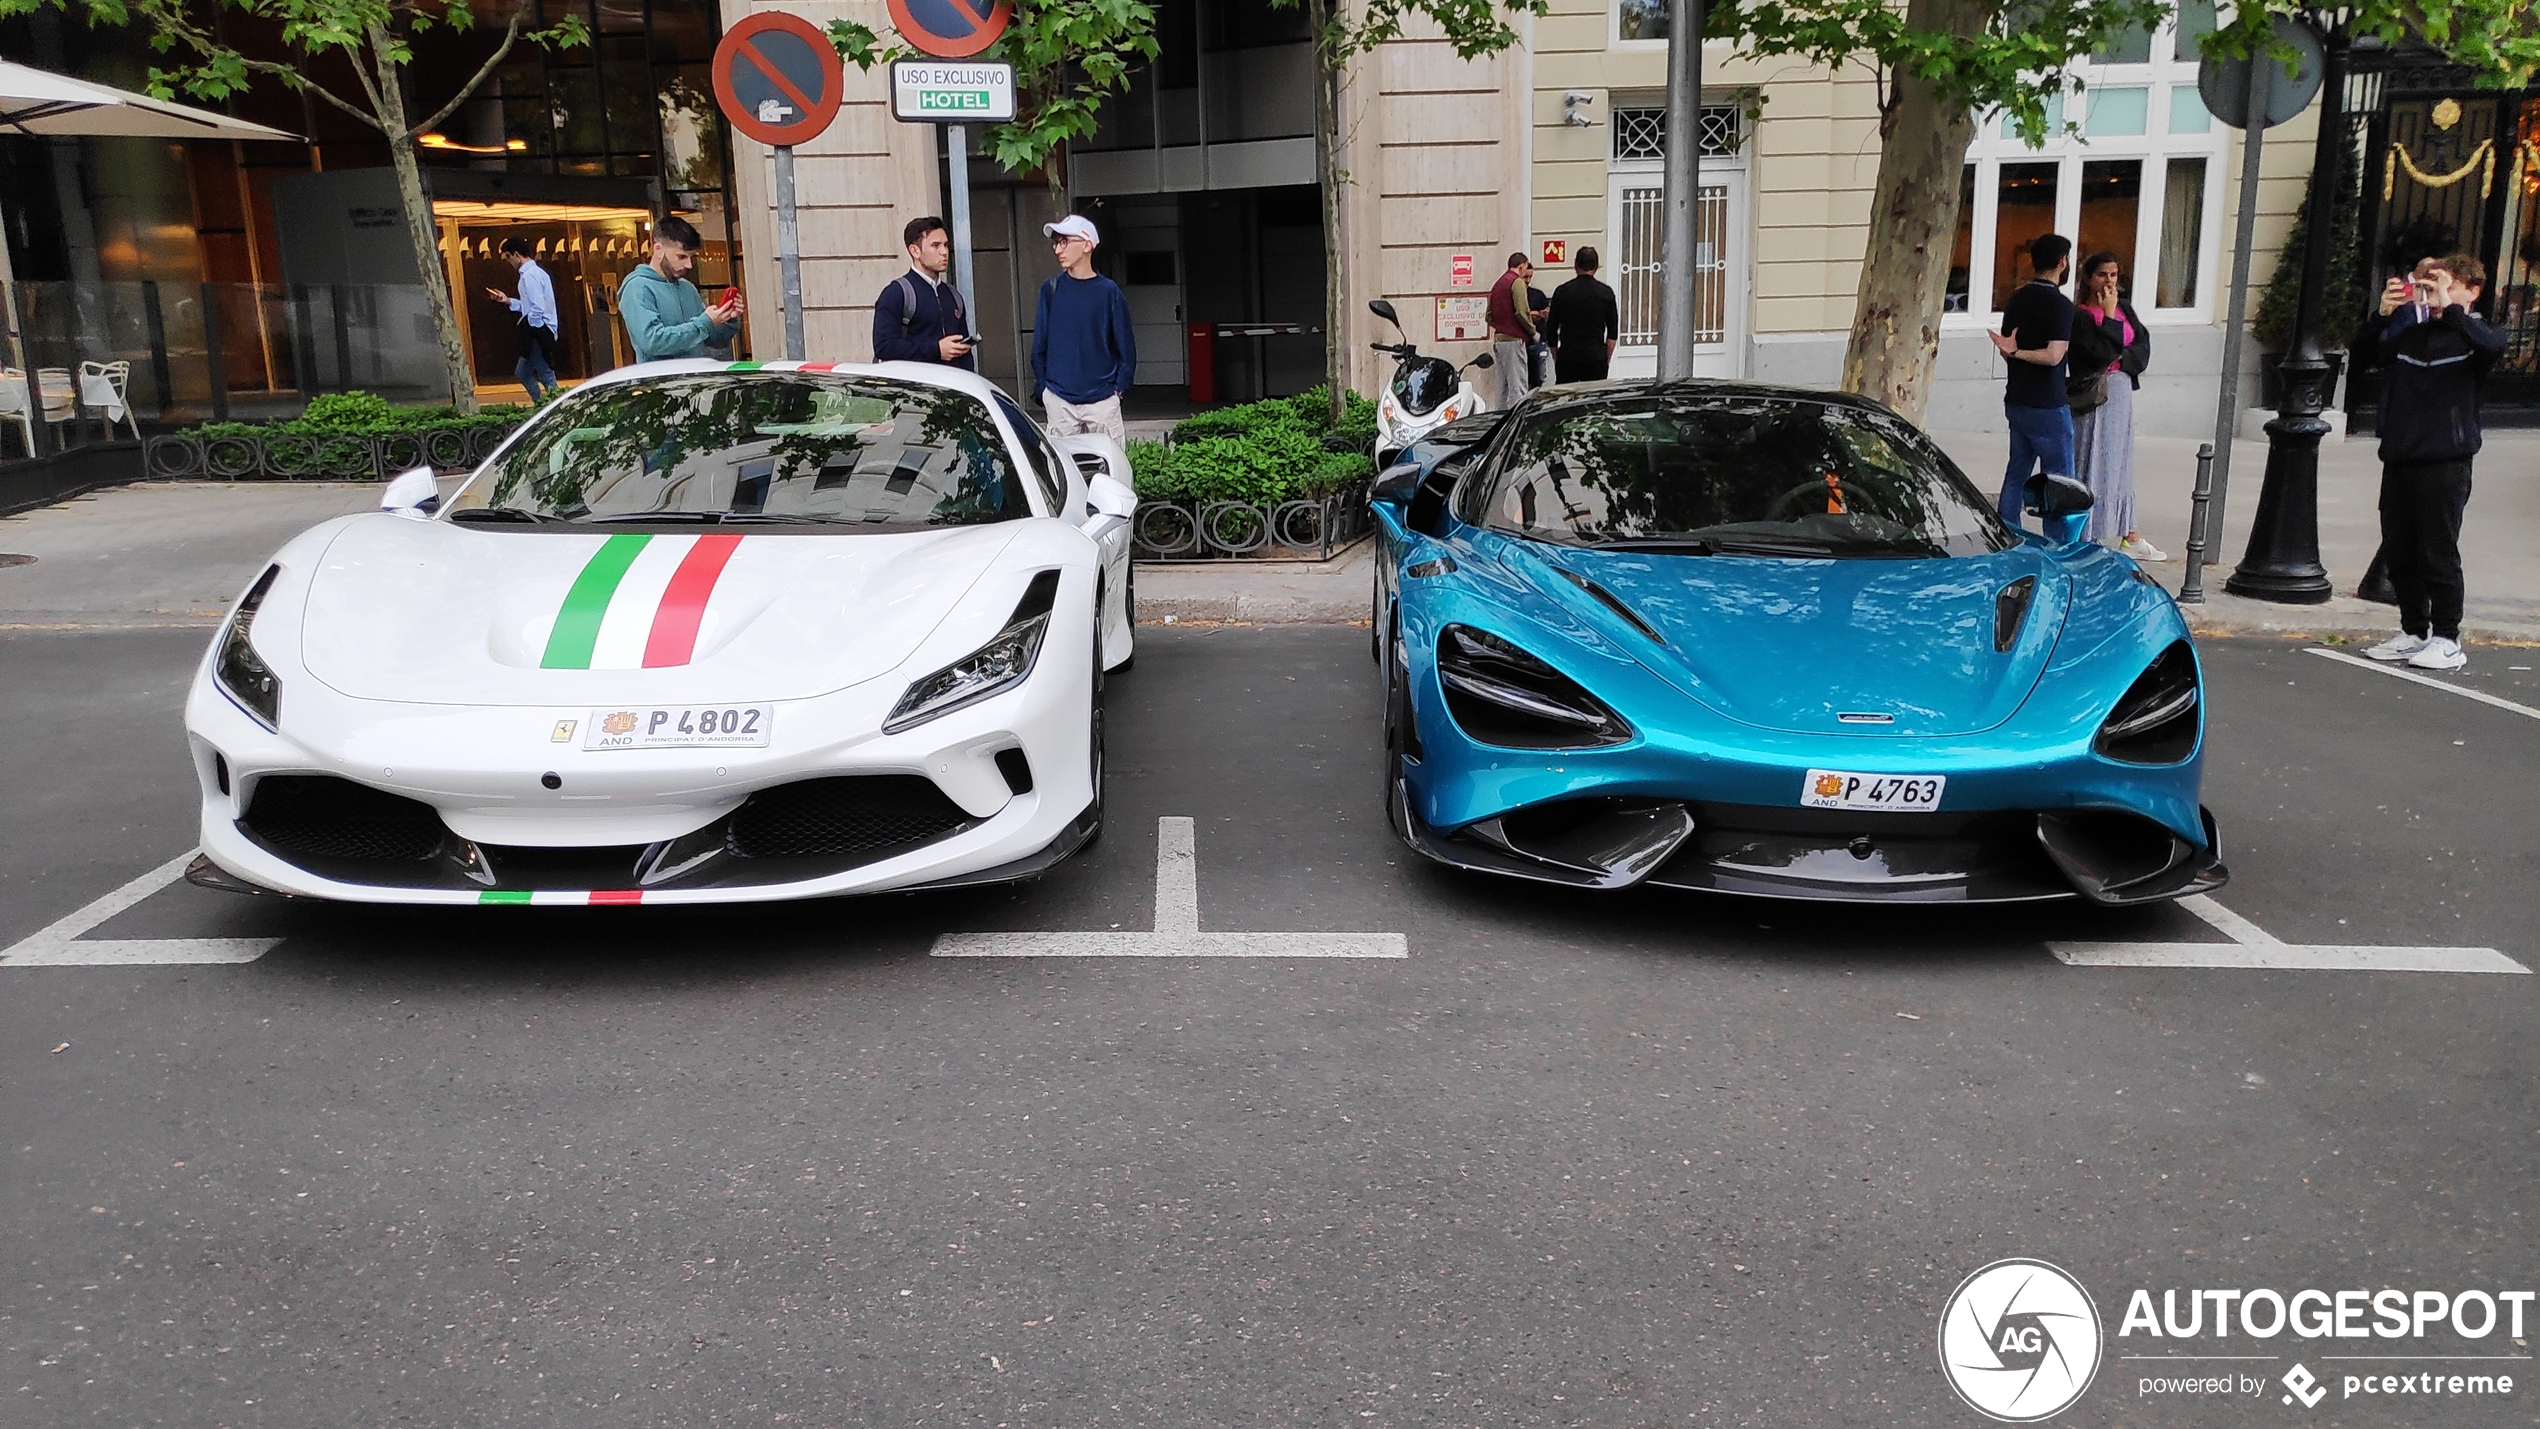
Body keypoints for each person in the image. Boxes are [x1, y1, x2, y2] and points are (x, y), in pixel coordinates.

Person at [2358, 252, 2503, 672]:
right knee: (2400, 551)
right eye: (2427, 286)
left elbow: (2491, 347)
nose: (2435, 295)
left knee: (2437, 552)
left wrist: (2451, 306)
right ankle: (2413, 631)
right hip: (2401, 456)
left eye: (2447, 285)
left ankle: (2447, 637)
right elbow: (2367, 353)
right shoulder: (2412, 335)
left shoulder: (2473, 334)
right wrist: (2384, 314)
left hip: (2446, 460)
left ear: (2472, 292)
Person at [2066, 250, 2160, 559]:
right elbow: (2098, 355)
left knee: (2120, 462)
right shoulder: (2079, 315)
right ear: (2089, 279)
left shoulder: (2126, 309)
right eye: (2102, 275)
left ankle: (2128, 532)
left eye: (2114, 275)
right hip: (2095, 397)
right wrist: (2107, 317)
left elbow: (2142, 348)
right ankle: (2087, 533)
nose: (2109, 281)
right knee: (2094, 459)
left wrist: (2122, 356)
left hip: (2121, 393)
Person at [1987, 233, 2074, 529]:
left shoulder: (2017, 298)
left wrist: (2015, 353)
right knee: (2058, 478)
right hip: (2048, 403)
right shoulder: (2060, 305)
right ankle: (2059, 541)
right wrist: (2022, 352)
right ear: (2062, 262)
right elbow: (2054, 356)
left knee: (2017, 472)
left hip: (2017, 399)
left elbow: (2006, 349)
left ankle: (2008, 530)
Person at [1030, 213, 1137, 441]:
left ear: (1087, 245)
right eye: (1056, 243)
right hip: (1059, 402)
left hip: (1102, 402)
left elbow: (1126, 349)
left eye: (1065, 242)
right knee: (1063, 475)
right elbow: (1039, 346)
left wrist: (1117, 393)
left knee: (1108, 473)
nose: (1058, 249)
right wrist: (1045, 391)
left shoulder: (1109, 293)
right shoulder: (1051, 289)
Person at [619, 215, 741, 364]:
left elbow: (714, 340)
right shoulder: (637, 288)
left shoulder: (686, 287)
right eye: (681, 256)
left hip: (696, 379)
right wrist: (704, 323)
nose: (689, 265)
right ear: (658, 249)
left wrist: (728, 318)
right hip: (663, 383)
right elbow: (653, 341)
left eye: (691, 257)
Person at [873, 216, 976, 369]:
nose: (944, 252)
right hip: (913, 389)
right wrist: (936, 350)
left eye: (946, 245)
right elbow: (884, 347)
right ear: (915, 251)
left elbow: (965, 356)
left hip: (951, 386)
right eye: (936, 246)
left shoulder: (953, 295)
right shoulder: (897, 293)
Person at [485, 237, 561, 404]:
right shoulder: (538, 273)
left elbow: (537, 307)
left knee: (545, 374)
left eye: (508, 257)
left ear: (516, 254)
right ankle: (544, 405)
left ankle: (552, 408)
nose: (508, 261)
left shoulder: (529, 276)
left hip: (537, 331)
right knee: (526, 372)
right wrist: (508, 300)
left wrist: (531, 326)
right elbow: (531, 305)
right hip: (541, 329)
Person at [1544, 246, 1620, 383]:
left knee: (1566, 400)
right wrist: (1605, 357)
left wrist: (1557, 355)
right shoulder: (1606, 292)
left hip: (1568, 356)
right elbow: (1613, 332)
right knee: (1593, 399)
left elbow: (1551, 328)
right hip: (1595, 357)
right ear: (1596, 266)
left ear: (1575, 264)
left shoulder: (1562, 291)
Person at [1485, 252, 1537, 408]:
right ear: (1521, 266)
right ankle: (1516, 425)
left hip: (1499, 341)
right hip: (1514, 340)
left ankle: (1499, 421)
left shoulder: (1498, 284)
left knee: (1502, 389)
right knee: (1518, 386)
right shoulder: (1517, 283)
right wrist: (1533, 332)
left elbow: (1488, 316)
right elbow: (1522, 312)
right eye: (1525, 268)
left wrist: (1501, 325)